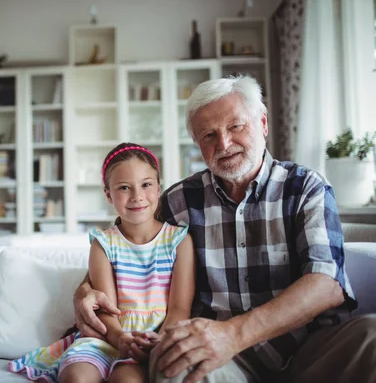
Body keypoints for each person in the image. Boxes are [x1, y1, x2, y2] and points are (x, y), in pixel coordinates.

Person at [73, 76, 376, 383]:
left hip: (312, 346)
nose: (224, 143)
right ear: (196, 144)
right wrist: (84, 290)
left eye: (235, 126)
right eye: (208, 135)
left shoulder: (306, 187)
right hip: (220, 357)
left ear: (263, 123)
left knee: (372, 335)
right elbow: (124, 246)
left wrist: (234, 333)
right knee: (174, 367)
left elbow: (328, 283)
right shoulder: (179, 201)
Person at [9, 143, 196, 382]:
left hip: (154, 339)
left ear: (158, 187)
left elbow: (180, 309)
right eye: (124, 188)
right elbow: (106, 309)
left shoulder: (179, 241)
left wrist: (159, 343)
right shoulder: (103, 244)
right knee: (75, 376)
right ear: (108, 194)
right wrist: (120, 339)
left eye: (146, 184)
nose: (137, 196)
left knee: (126, 379)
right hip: (107, 337)